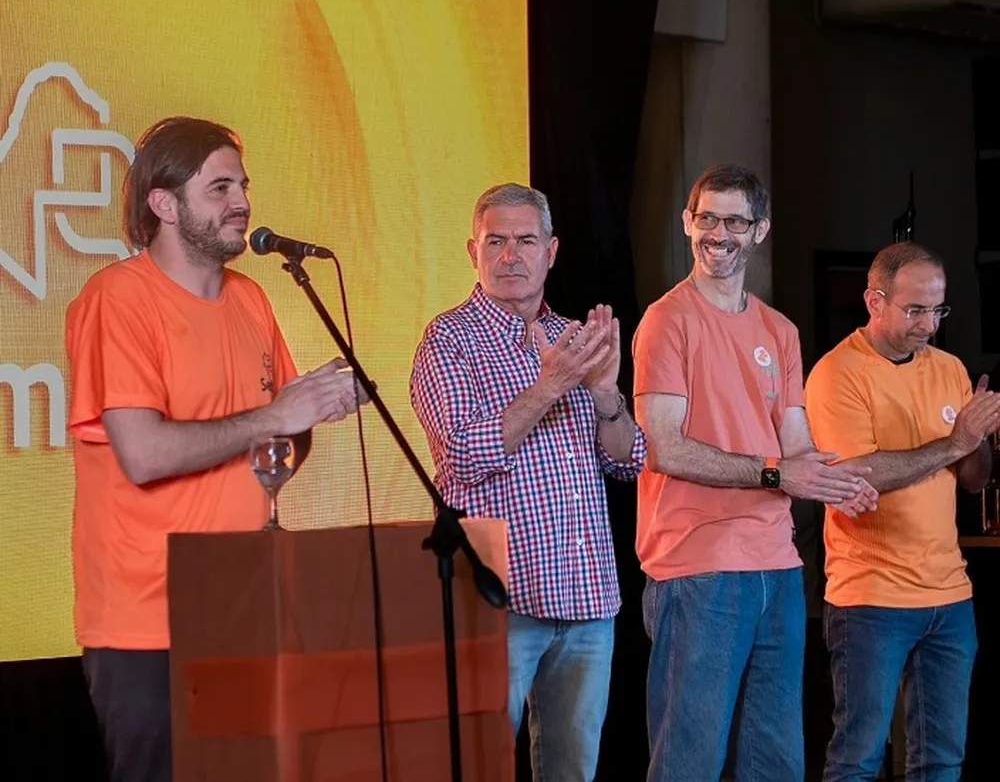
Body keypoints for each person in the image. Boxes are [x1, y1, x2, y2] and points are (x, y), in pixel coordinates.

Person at [65, 116, 368, 782]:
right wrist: (276, 414)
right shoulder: (117, 300)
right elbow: (141, 453)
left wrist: (308, 416)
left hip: (242, 607)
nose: (242, 202)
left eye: (244, 185)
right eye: (219, 187)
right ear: (164, 204)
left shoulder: (252, 299)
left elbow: (276, 445)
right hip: (147, 622)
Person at [632, 163, 877, 782]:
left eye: (734, 220)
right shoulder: (667, 321)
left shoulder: (781, 330)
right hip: (698, 570)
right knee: (688, 764)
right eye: (706, 217)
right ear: (688, 223)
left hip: (777, 570)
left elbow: (795, 442)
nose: (718, 233)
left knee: (775, 764)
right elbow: (665, 448)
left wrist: (838, 481)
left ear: (759, 230)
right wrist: (778, 475)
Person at [409, 182, 646, 780]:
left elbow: (628, 459)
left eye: (525, 241)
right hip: (499, 602)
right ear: (473, 252)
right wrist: (551, 385)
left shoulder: (576, 338)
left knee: (572, 771)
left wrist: (605, 396)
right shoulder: (448, 340)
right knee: (480, 766)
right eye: (497, 242)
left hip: (588, 598)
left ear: (552, 251)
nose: (511, 255)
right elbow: (462, 455)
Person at [804, 242, 997, 781]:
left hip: (950, 597)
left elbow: (974, 480)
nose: (929, 325)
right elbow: (859, 473)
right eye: (915, 310)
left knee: (941, 761)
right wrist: (955, 441)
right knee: (858, 760)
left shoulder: (950, 368)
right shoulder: (837, 373)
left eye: (938, 310)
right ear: (875, 301)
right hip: (871, 598)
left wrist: (977, 439)